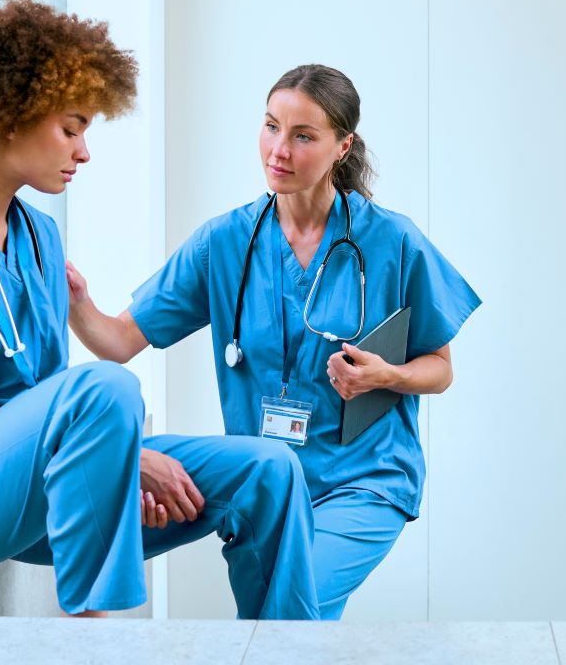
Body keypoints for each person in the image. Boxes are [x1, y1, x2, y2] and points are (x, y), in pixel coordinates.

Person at [0, 0, 319, 618]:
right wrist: (126, 462)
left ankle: (285, 653)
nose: (84, 151)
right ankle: (98, 644)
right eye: (71, 128)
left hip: (31, 493)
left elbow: (48, 399)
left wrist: (114, 470)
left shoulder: (38, 237)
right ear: (11, 113)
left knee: (270, 468)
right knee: (107, 388)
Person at [68, 64, 481, 619]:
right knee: (266, 632)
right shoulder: (225, 242)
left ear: (343, 146)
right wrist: (75, 302)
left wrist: (388, 376)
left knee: (288, 617)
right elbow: (118, 342)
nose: (278, 149)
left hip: (362, 479)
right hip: (261, 489)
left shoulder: (393, 241)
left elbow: (440, 367)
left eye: (303, 135)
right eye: (270, 126)